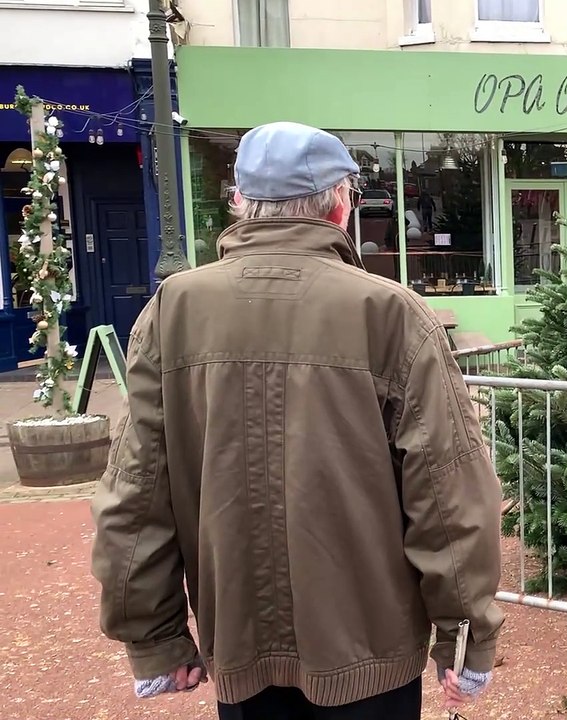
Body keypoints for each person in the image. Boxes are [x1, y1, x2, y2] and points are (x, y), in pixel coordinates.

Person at [89, 121, 505, 720]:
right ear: (340, 204)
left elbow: (134, 494)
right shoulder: (390, 313)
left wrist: (153, 636)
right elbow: (448, 495)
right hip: (370, 651)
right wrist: (464, 637)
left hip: (240, 639)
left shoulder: (172, 311)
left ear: (241, 205)